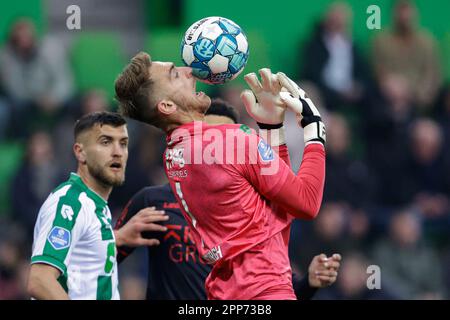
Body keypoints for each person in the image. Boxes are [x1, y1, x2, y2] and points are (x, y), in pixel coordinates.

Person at [115, 52, 326, 299]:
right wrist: (314, 130)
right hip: (265, 290)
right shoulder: (232, 141)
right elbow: (306, 202)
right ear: (167, 106)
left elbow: (277, 199)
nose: (189, 71)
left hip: (228, 292)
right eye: (175, 74)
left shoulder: (175, 154)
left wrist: (271, 130)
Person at [27, 111, 167, 300]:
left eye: (123, 143)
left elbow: (81, 251)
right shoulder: (70, 203)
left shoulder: (94, 204)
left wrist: (116, 238)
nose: (117, 151)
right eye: (105, 142)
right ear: (80, 152)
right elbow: (40, 280)